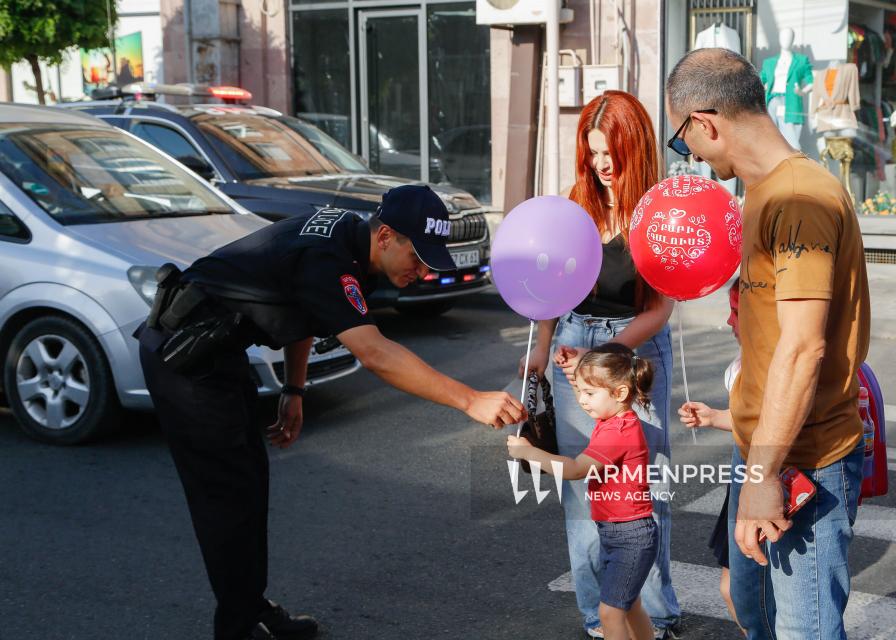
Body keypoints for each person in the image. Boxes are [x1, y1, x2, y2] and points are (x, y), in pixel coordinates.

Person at [136, 185, 525, 640]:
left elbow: (306, 310)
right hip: (184, 358)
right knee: (226, 499)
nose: (421, 272)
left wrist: (294, 388)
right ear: (385, 237)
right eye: (416, 257)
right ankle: (237, 627)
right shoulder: (330, 259)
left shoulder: (347, 238)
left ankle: (250, 607)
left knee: (249, 484)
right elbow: (376, 353)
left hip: (217, 350)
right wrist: (469, 399)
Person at [665, 48, 870, 639]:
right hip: (761, 450)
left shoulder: (798, 197)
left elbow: (804, 350)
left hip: (800, 459)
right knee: (756, 613)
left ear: (705, 123)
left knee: (802, 630)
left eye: (684, 142)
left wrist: (762, 477)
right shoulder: (760, 195)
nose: (691, 156)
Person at [519, 90, 680, 639]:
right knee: (584, 491)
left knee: (642, 489)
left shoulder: (657, 213)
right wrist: (542, 346)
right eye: (593, 152)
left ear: (636, 148)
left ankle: (653, 617)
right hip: (572, 340)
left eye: (612, 151)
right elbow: (549, 285)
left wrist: (601, 357)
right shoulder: (576, 204)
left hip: (633, 346)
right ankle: (600, 619)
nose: (602, 164)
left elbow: (660, 307)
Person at [508, 344, 659, 640]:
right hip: (619, 532)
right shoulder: (613, 419)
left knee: (610, 613)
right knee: (629, 606)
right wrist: (578, 375)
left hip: (630, 535)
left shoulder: (618, 432)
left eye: (590, 393)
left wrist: (530, 452)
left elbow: (577, 469)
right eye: (580, 390)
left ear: (620, 394)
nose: (582, 400)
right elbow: (592, 388)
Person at [677, 281, 744, 634]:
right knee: (734, 589)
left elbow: (766, 422)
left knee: (743, 591)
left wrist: (717, 418)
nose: (729, 322)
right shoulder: (747, 358)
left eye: (737, 313)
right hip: (745, 473)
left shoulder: (773, 361)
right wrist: (714, 417)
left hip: (763, 478)